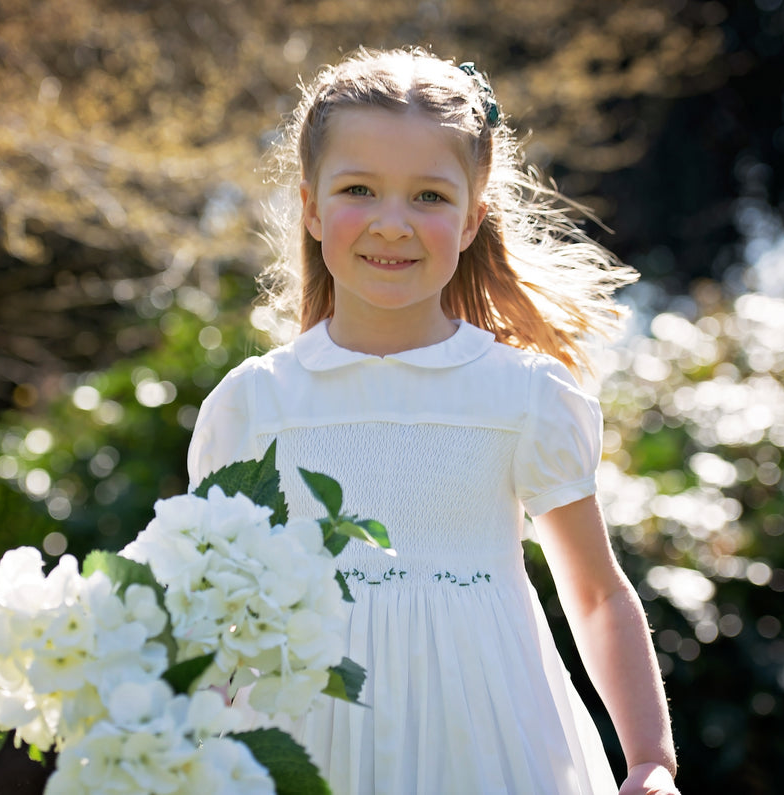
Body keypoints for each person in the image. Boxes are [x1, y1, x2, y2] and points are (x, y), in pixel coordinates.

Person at [187, 47, 680, 795]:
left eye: (429, 196)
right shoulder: (255, 404)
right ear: (312, 207)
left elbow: (598, 594)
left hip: (491, 743)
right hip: (309, 745)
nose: (393, 223)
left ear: (473, 217)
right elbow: (212, 600)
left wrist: (649, 757)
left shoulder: (525, 396)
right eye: (360, 188)